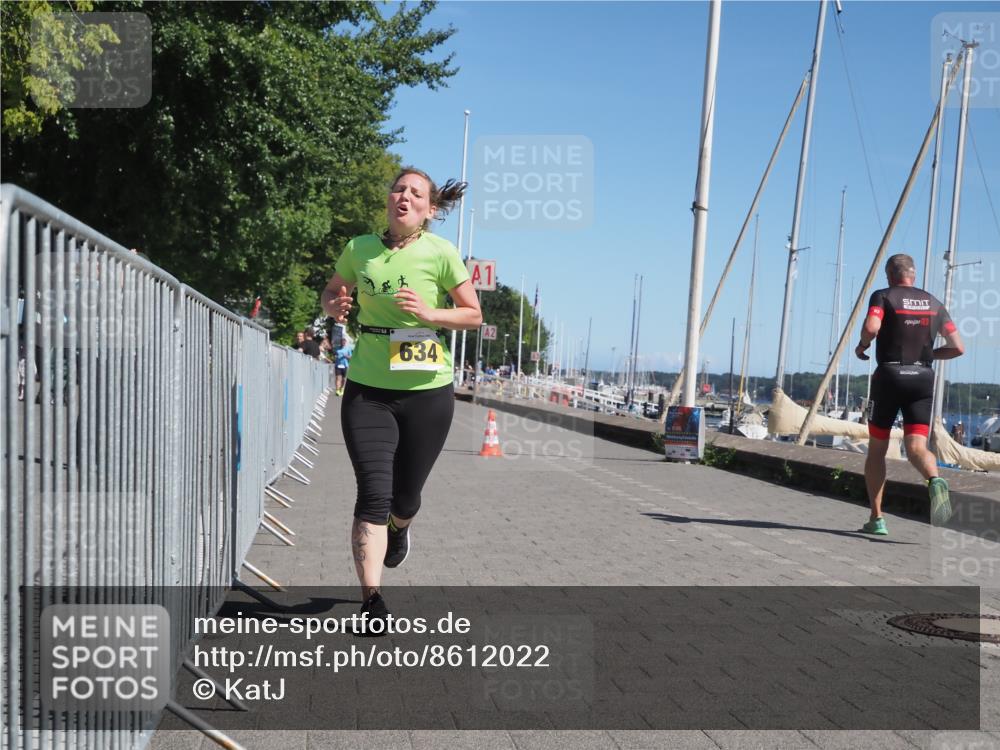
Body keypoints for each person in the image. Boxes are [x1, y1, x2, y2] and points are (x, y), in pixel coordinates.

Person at [321, 167, 482, 628]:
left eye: (415, 193)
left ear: (429, 210)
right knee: (373, 492)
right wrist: (335, 305)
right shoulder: (359, 248)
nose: (404, 197)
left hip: (426, 392)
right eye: (398, 189)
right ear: (389, 200)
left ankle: (399, 528)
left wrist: (429, 313)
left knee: (405, 498)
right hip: (368, 390)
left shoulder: (441, 252)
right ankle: (372, 600)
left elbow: (473, 314)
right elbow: (331, 291)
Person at [855, 253, 964, 536]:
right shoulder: (934, 303)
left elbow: (871, 327)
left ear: (890, 275)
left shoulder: (883, 296)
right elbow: (957, 347)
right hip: (922, 378)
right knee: (916, 447)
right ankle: (935, 480)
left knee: (877, 449)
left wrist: (862, 346)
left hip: (889, 377)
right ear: (913, 275)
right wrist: (927, 355)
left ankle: (877, 518)